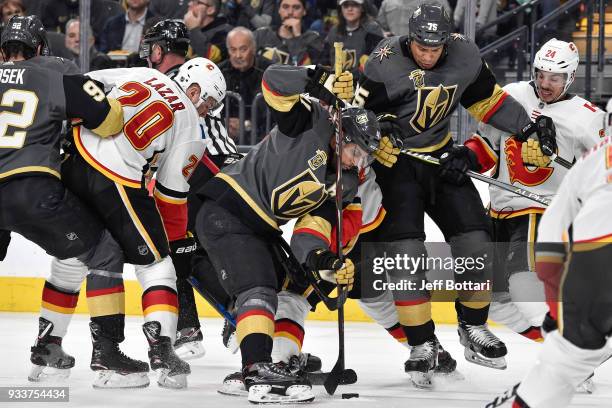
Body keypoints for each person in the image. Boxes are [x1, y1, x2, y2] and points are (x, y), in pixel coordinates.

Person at [352, 2, 556, 387]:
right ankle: (422, 342)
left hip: (441, 157)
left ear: (446, 42)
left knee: (478, 242)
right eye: (421, 48)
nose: (428, 55)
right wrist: (379, 132)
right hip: (395, 167)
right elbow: (355, 117)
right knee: (405, 255)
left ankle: (472, 327)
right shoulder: (382, 62)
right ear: (409, 40)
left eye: (435, 48)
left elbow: (487, 100)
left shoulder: (464, 53)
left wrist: (528, 127)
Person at [194, 63, 380, 403]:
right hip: (227, 211)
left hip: (260, 229)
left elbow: (308, 233)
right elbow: (272, 81)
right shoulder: (309, 122)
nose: (358, 161)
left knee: (295, 285)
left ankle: (275, 357)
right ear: (341, 136)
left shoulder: (345, 182)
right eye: (356, 151)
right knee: (258, 287)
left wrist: (323, 260)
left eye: (365, 156)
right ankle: (255, 366)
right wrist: (318, 78)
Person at [61, 59, 219, 389]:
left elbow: (81, 83)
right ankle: (162, 351)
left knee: (100, 258)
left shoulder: (145, 74)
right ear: (193, 90)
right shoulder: (189, 122)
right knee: (158, 267)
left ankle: (80, 349)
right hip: (115, 175)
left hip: (73, 158)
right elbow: (171, 197)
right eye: (208, 101)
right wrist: (174, 245)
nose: (206, 110)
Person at [0, 15, 125, 383]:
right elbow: (108, 121)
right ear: (40, 48)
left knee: (70, 259)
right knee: (103, 252)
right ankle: (108, 354)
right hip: (31, 188)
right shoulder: (55, 70)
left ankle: (48, 346)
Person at [480, 39, 605, 347]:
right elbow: (486, 145)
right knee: (492, 299)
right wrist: (464, 158)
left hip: (542, 210)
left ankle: (572, 353)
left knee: (524, 284)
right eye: (541, 74)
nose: (545, 83)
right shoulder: (512, 95)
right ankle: (564, 351)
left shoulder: (588, 118)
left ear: (571, 77)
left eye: (555, 77)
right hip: (498, 205)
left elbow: (602, 170)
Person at [140, 19, 238, 360]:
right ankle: (236, 315)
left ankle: (192, 326)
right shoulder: (192, 76)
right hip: (217, 172)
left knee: (175, 251)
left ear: (158, 50)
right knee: (197, 254)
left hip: (195, 175)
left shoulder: (162, 83)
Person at [511, 120, 612, 408]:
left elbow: (552, 239)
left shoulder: (590, 160)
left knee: (561, 368)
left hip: (591, 259)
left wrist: (559, 310)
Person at [219, 26, 271, 143]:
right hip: (226, 140)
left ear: (253, 48)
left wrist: (246, 125)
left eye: (243, 49)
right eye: (233, 49)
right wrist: (224, 123)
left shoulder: (269, 71)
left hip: (261, 139)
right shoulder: (219, 72)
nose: (238, 55)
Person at [323, 0, 384, 77]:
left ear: (362, 8)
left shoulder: (372, 29)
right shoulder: (334, 31)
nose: (350, 9)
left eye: (354, 5)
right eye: (346, 5)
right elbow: (325, 60)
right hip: (336, 83)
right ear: (341, 9)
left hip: (363, 83)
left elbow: (376, 62)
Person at [254, 0, 323, 66]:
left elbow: (309, 72)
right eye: (285, 7)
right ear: (279, 10)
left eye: (296, 7)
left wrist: (297, 38)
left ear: (304, 11)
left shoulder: (313, 38)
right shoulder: (262, 34)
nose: (290, 12)